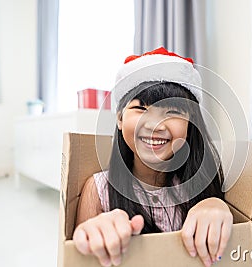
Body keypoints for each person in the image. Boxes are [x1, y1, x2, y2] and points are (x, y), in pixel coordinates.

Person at [73, 47, 233, 267]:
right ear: (119, 119)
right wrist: (96, 232)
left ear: (190, 124)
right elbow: (79, 258)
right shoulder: (99, 189)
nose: (155, 125)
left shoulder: (200, 185)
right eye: (141, 108)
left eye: (173, 111)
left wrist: (216, 205)